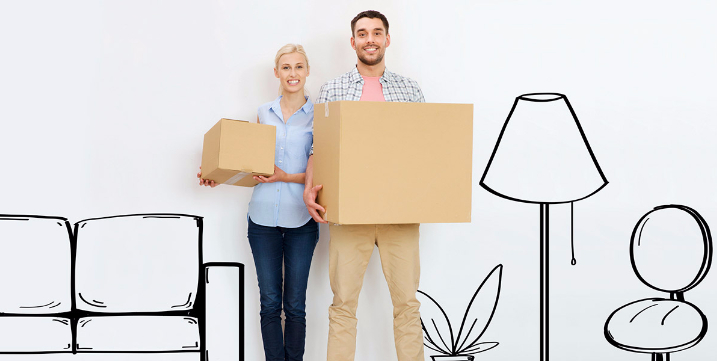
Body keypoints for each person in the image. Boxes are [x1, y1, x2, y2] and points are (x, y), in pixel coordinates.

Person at [303, 10, 425, 361]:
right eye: (362, 33)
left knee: (407, 304)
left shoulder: (410, 89)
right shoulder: (333, 89)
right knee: (342, 304)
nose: (369, 38)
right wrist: (309, 191)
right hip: (349, 212)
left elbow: (424, 150)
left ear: (387, 39)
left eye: (376, 32)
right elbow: (319, 149)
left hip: (399, 212)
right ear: (353, 41)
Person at [199, 44, 318, 361]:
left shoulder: (320, 116)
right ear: (277, 72)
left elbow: (322, 171)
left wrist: (285, 177)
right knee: (269, 302)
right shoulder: (264, 112)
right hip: (262, 219)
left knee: (295, 304)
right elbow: (252, 167)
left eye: (298, 67)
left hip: (301, 221)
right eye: (286, 67)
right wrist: (216, 175)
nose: (293, 73)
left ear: (307, 72)